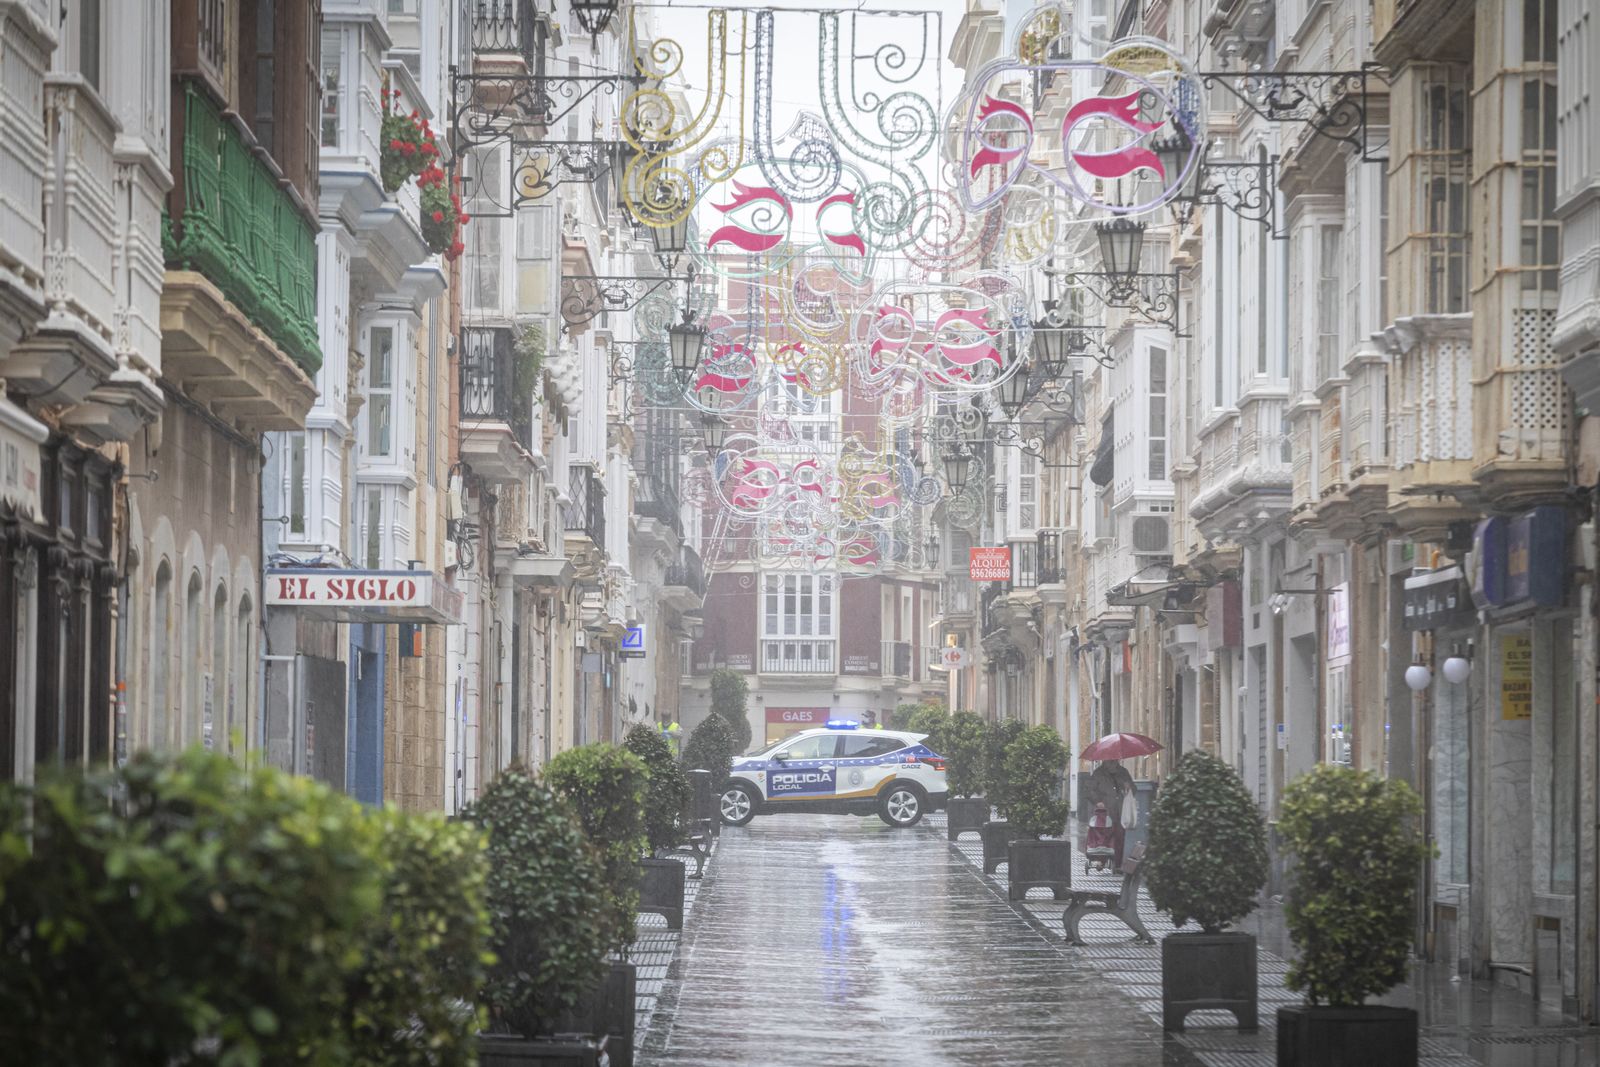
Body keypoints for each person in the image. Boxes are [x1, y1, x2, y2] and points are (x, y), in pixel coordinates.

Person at [1086, 759, 1136, 867]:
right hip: (1104, 812)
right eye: (1110, 759)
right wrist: (1097, 801)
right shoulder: (1098, 773)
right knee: (1103, 837)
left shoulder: (1123, 772)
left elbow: (1133, 789)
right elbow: (1089, 790)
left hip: (1120, 811)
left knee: (1119, 838)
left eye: (1114, 759)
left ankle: (1117, 864)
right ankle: (1102, 861)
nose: (1112, 761)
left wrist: (1129, 787)